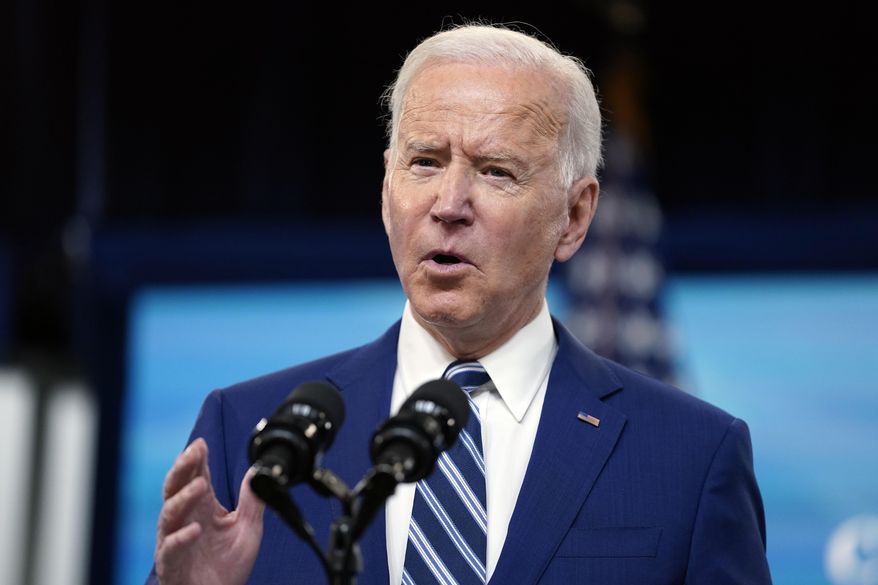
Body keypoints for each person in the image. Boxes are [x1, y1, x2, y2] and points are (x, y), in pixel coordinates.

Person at [149, 24, 772, 585]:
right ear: (387, 189)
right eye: (424, 163)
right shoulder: (249, 433)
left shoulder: (689, 458)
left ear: (575, 217)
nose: (448, 204)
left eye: (495, 171)